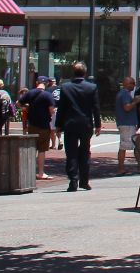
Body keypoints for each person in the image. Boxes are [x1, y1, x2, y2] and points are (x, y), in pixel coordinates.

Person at [54, 63, 100, 192]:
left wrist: (58, 124)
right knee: (85, 152)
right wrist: (98, 124)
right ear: (85, 73)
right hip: (85, 124)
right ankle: (84, 181)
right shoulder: (92, 87)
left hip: (70, 124)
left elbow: (61, 108)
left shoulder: (65, 87)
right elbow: (95, 108)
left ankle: (73, 180)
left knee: (71, 153)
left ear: (73, 73)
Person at [20, 76, 57, 180]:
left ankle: (29, 172)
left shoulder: (30, 93)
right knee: (42, 150)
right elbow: (51, 110)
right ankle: (41, 172)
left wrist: (27, 107)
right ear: (46, 84)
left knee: (32, 148)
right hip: (44, 125)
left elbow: (19, 103)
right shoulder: (48, 95)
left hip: (32, 125)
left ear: (37, 82)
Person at [112, 76, 140, 174]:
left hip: (127, 123)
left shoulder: (124, 94)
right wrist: (135, 102)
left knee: (132, 145)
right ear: (125, 84)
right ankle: (121, 168)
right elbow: (127, 108)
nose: (133, 85)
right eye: (131, 83)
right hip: (126, 124)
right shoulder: (124, 94)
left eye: (134, 83)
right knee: (125, 146)